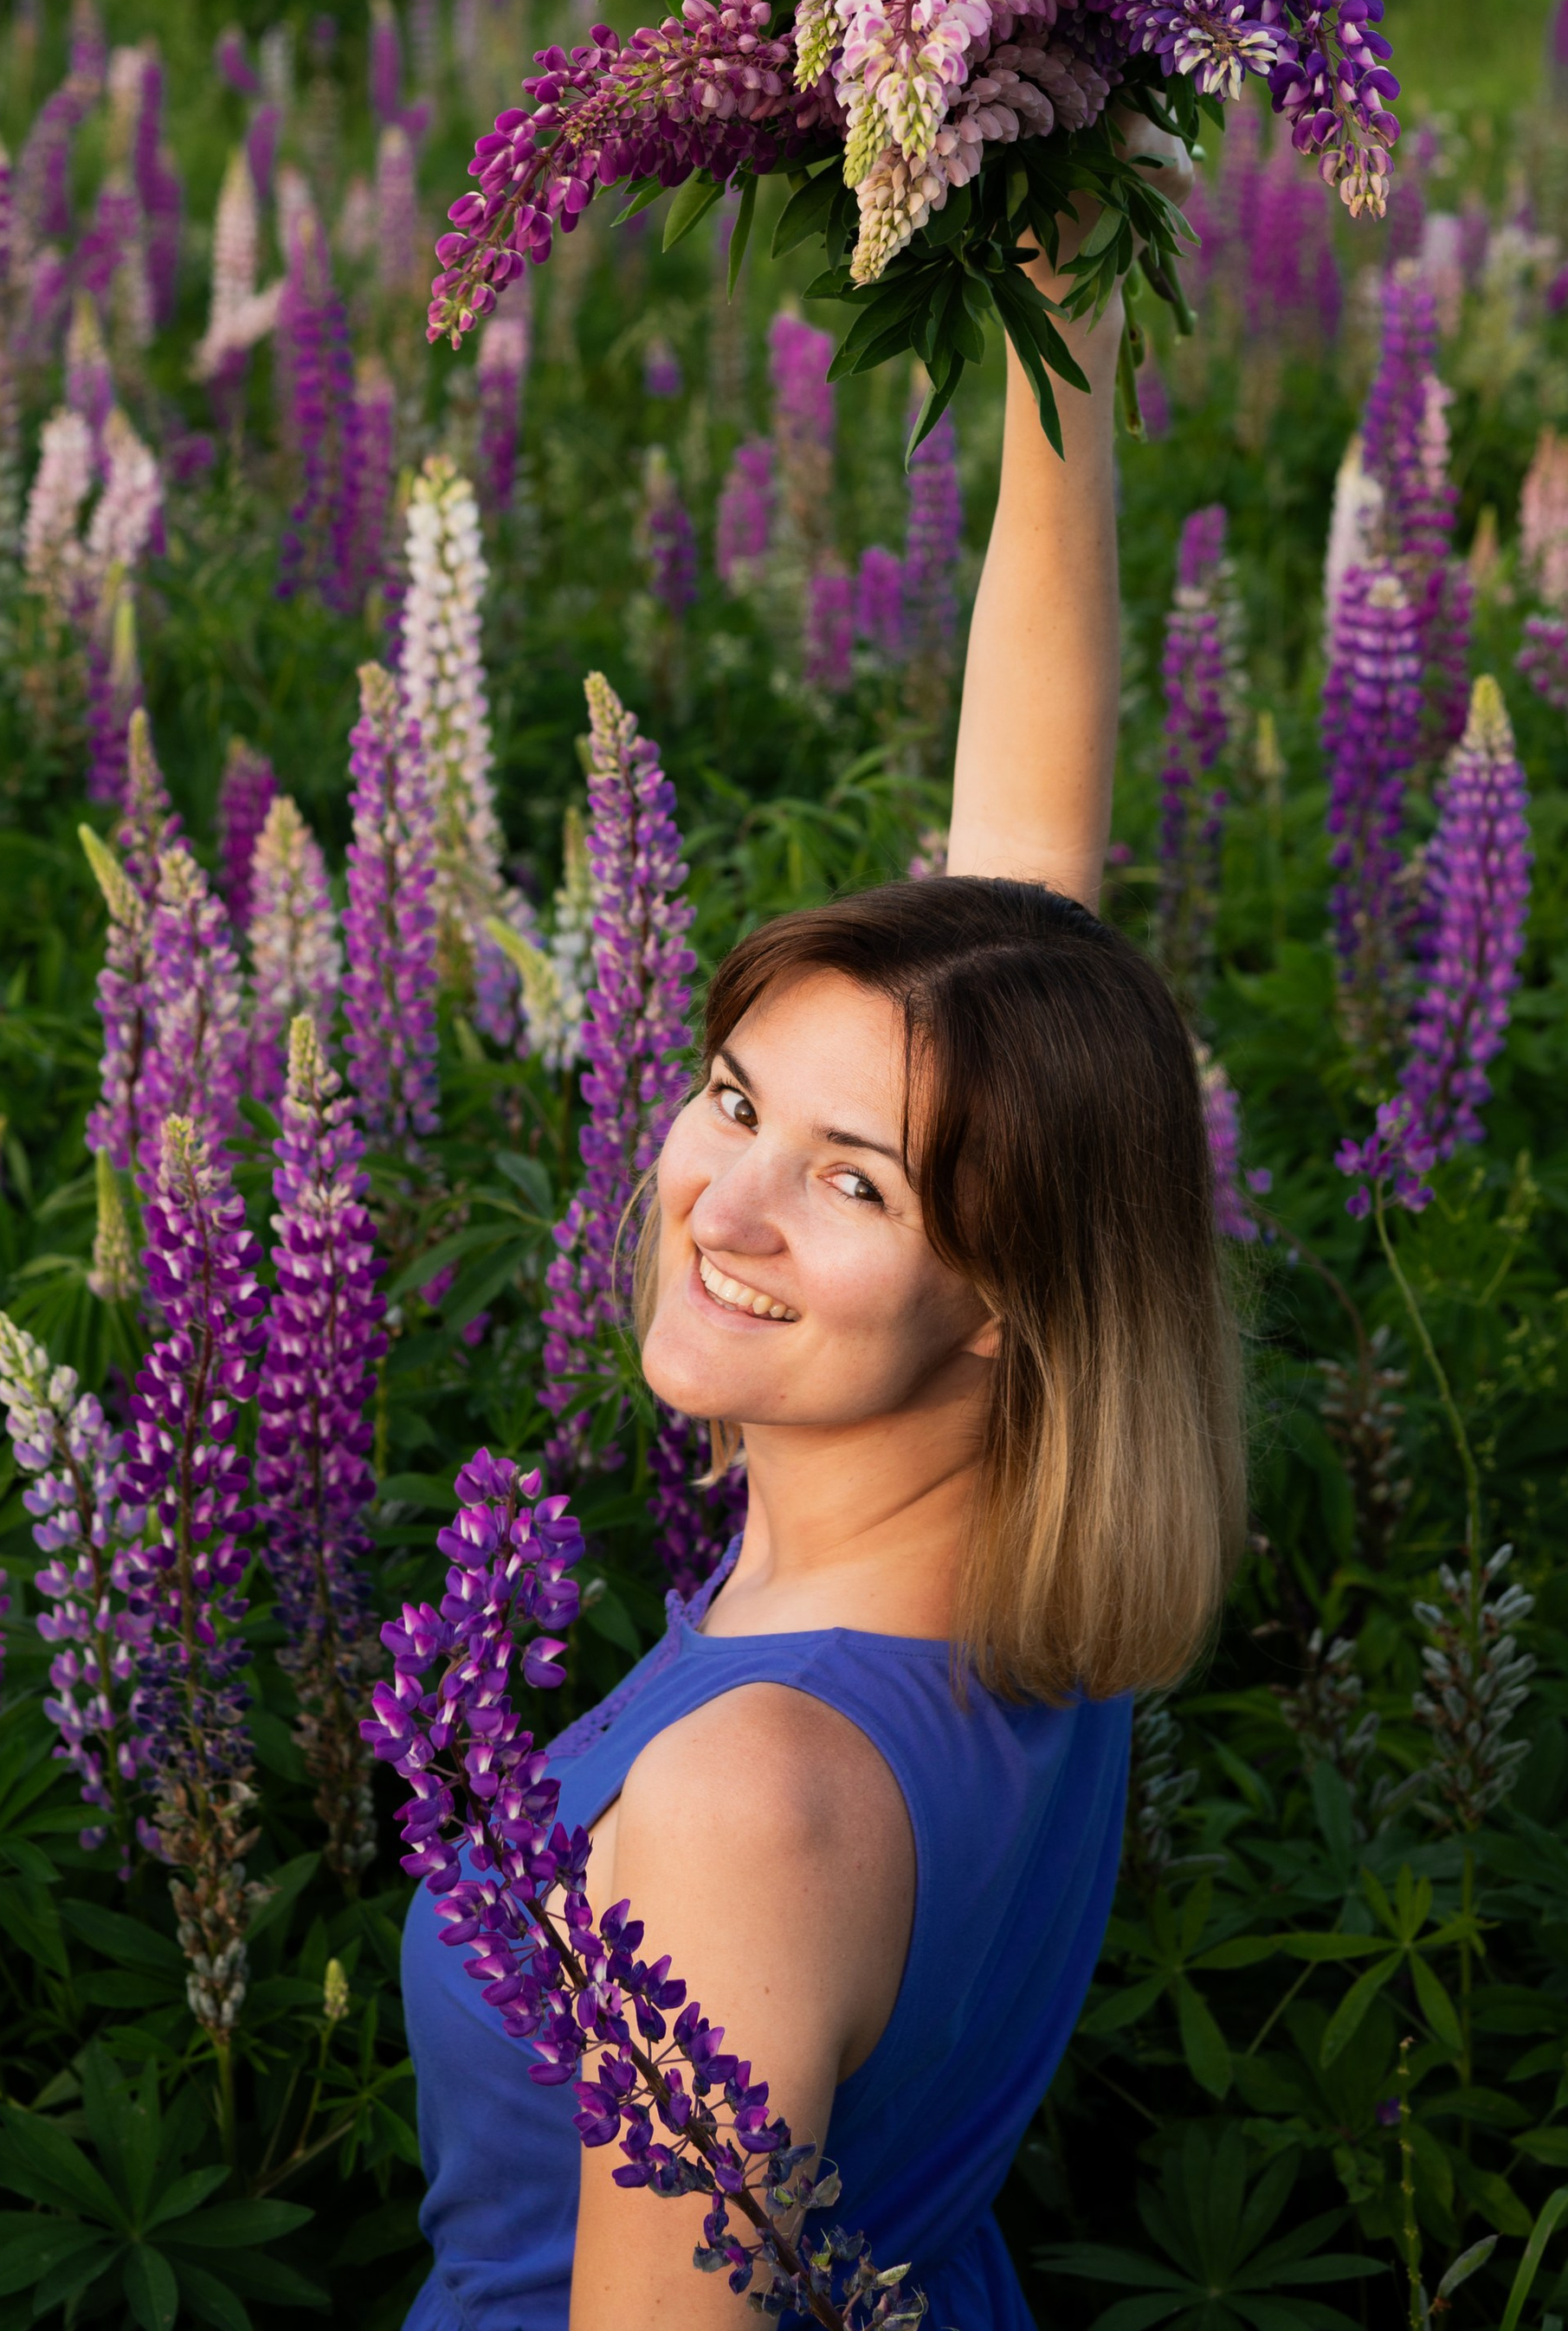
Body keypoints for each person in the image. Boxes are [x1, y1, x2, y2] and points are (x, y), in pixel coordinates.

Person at [402, 144, 1249, 2331]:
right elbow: (1025, 914)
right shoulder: (1017, 1582)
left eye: (849, 1182)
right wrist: (1049, 255)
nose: (722, 1201)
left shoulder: (752, 1803)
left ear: (1003, 1300)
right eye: (730, 1100)